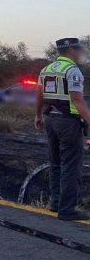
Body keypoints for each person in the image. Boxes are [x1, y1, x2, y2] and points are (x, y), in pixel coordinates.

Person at [36, 37, 90, 221]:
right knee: (71, 166)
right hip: (68, 122)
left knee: (56, 163)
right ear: (72, 51)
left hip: (50, 119)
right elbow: (77, 99)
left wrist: (38, 115)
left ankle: (55, 202)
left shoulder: (46, 69)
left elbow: (39, 95)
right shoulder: (72, 70)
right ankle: (67, 210)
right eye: (79, 50)